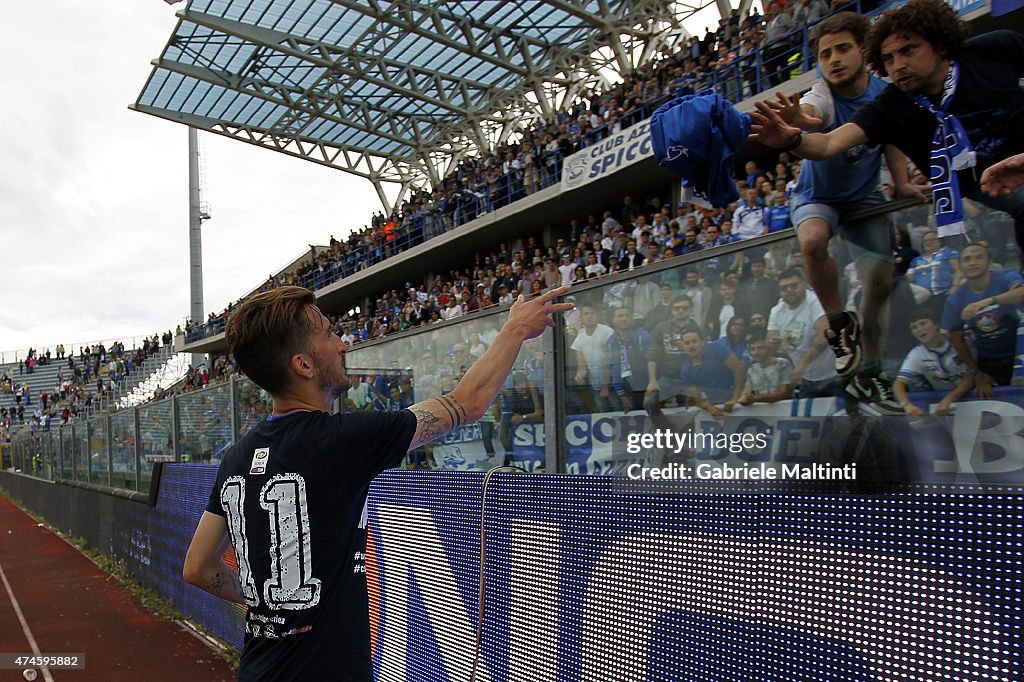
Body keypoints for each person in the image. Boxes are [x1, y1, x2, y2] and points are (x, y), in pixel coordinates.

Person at [183, 284, 571, 681]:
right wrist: (514, 331)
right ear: (304, 365)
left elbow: (198, 567)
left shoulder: (237, 456)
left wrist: (268, 601)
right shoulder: (343, 439)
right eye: (329, 334)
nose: (343, 345)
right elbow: (467, 402)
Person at [749, 0, 1024, 252]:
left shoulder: (996, 50)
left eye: (908, 51)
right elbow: (828, 143)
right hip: (985, 190)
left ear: (939, 44)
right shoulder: (891, 106)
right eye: (889, 59)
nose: (898, 65)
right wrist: (791, 141)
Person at [761, 12, 924, 414]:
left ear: (865, 52)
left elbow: (891, 141)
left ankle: (869, 371)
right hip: (818, 197)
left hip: (864, 196)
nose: (833, 59)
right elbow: (815, 114)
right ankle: (838, 323)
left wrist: (901, 184)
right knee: (813, 241)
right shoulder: (822, 94)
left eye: (843, 49)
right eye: (825, 53)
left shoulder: (887, 95)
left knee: (881, 287)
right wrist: (801, 123)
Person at [941, 243, 1024, 395]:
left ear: (990, 261)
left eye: (979, 257)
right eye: (966, 259)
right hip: (988, 359)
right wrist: (976, 373)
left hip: (1019, 350)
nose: (972, 262)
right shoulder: (954, 300)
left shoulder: (1006, 277)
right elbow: (957, 340)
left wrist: (989, 301)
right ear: (960, 266)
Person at [893, 307, 972, 416]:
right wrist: (906, 405)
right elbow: (899, 383)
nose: (919, 329)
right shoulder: (917, 354)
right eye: (914, 327)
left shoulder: (960, 342)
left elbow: (972, 375)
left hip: (973, 396)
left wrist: (948, 399)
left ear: (936, 324)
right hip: (943, 406)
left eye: (923, 323)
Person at [738, 330, 795, 405]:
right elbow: (746, 393)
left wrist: (756, 399)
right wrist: (736, 402)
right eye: (752, 349)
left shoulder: (783, 363)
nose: (756, 352)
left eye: (760, 348)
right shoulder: (751, 369)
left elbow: (785, 393)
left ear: (769, 348)